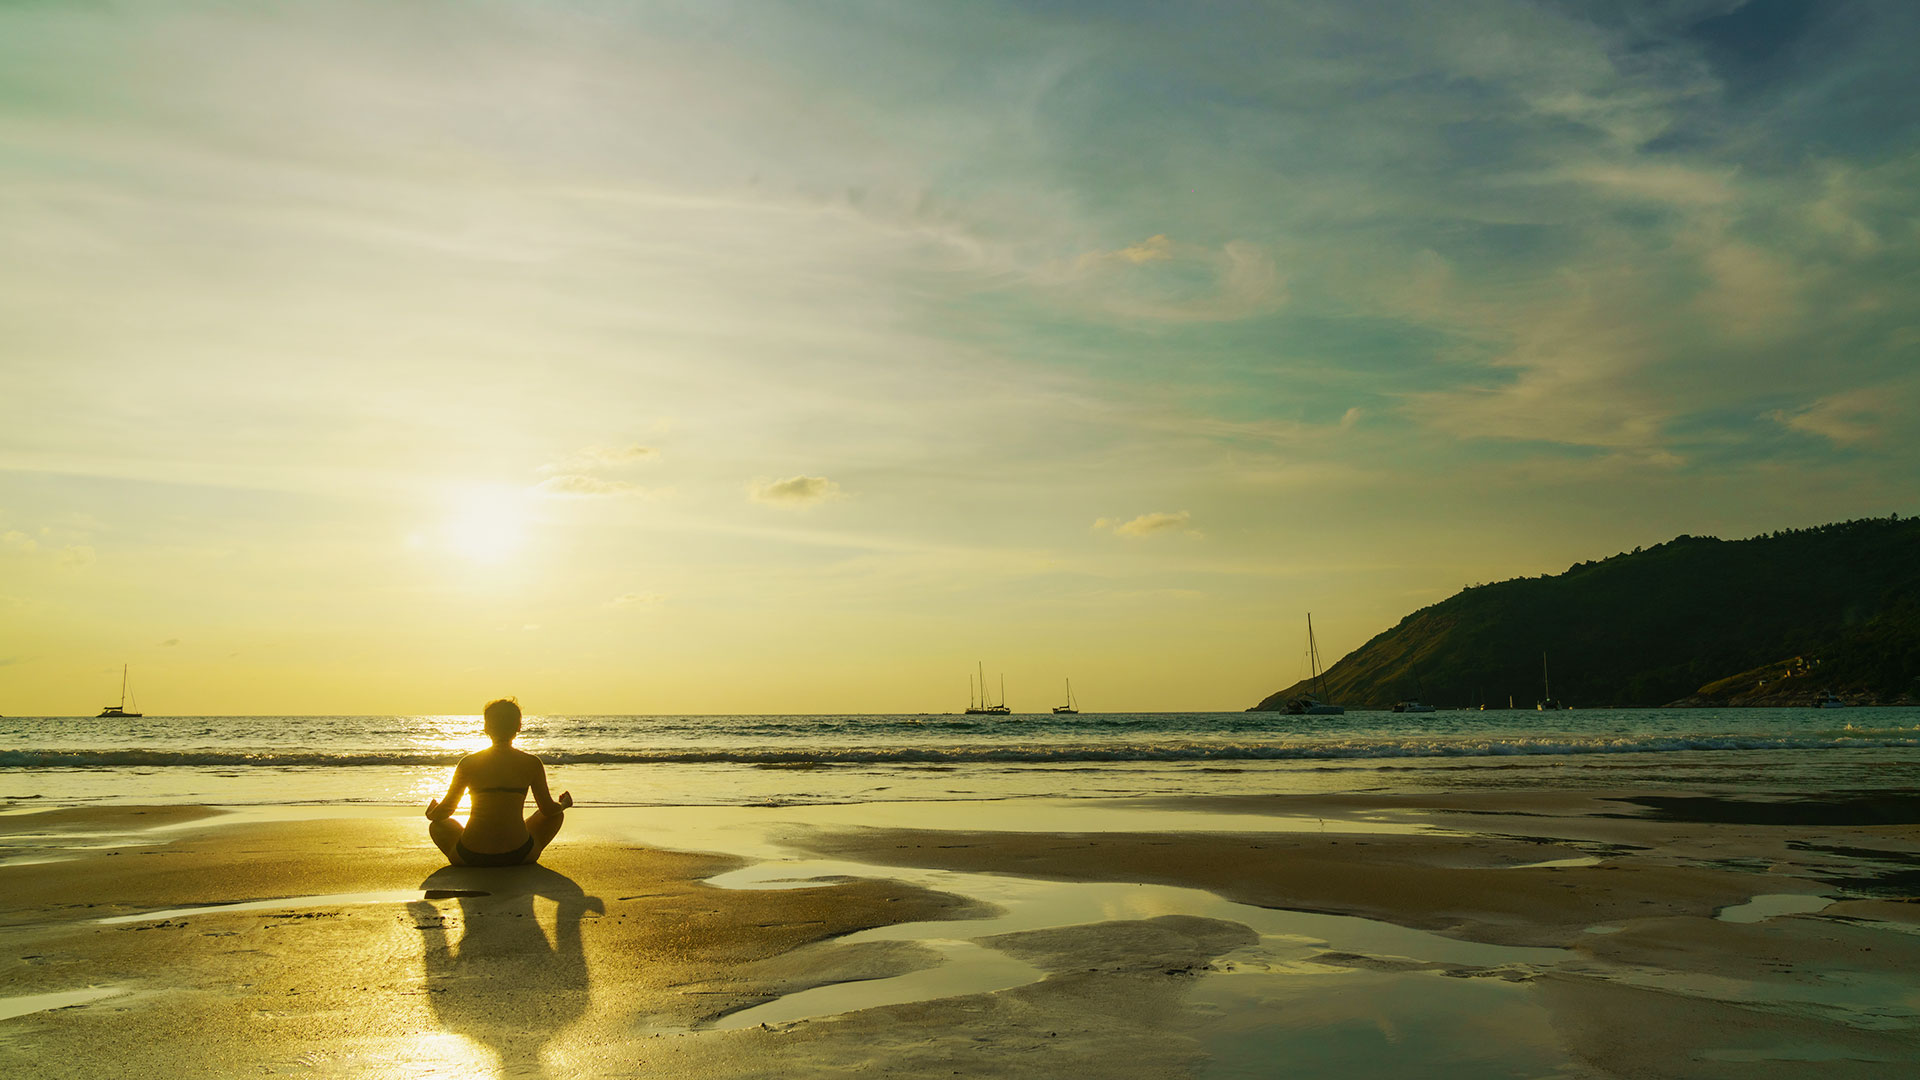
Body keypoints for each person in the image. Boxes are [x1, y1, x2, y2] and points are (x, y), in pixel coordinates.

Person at [426, 698, 572, 866]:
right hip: (519, 855)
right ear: (519, 727)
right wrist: (564, 804)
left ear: (486, 727)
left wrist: (431, 813)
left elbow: (444, 812)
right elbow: (548, 810)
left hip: (470, 856)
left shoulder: (468, 763)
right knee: (555, 816)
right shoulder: (532, 763)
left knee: (438, 825)